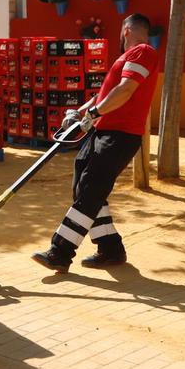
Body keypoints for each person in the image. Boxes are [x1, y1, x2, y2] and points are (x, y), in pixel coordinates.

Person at [32, 14, 160, 273]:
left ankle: (60, 251)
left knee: (91, 188)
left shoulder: (142, 52)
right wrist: (79, 112)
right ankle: (110, 248)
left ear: (126, 31)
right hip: (103, 132)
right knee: (84, 189)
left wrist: (93, 114)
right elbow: (104, 95)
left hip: (120, 135)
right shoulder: (125, 59)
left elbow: (125, 91)